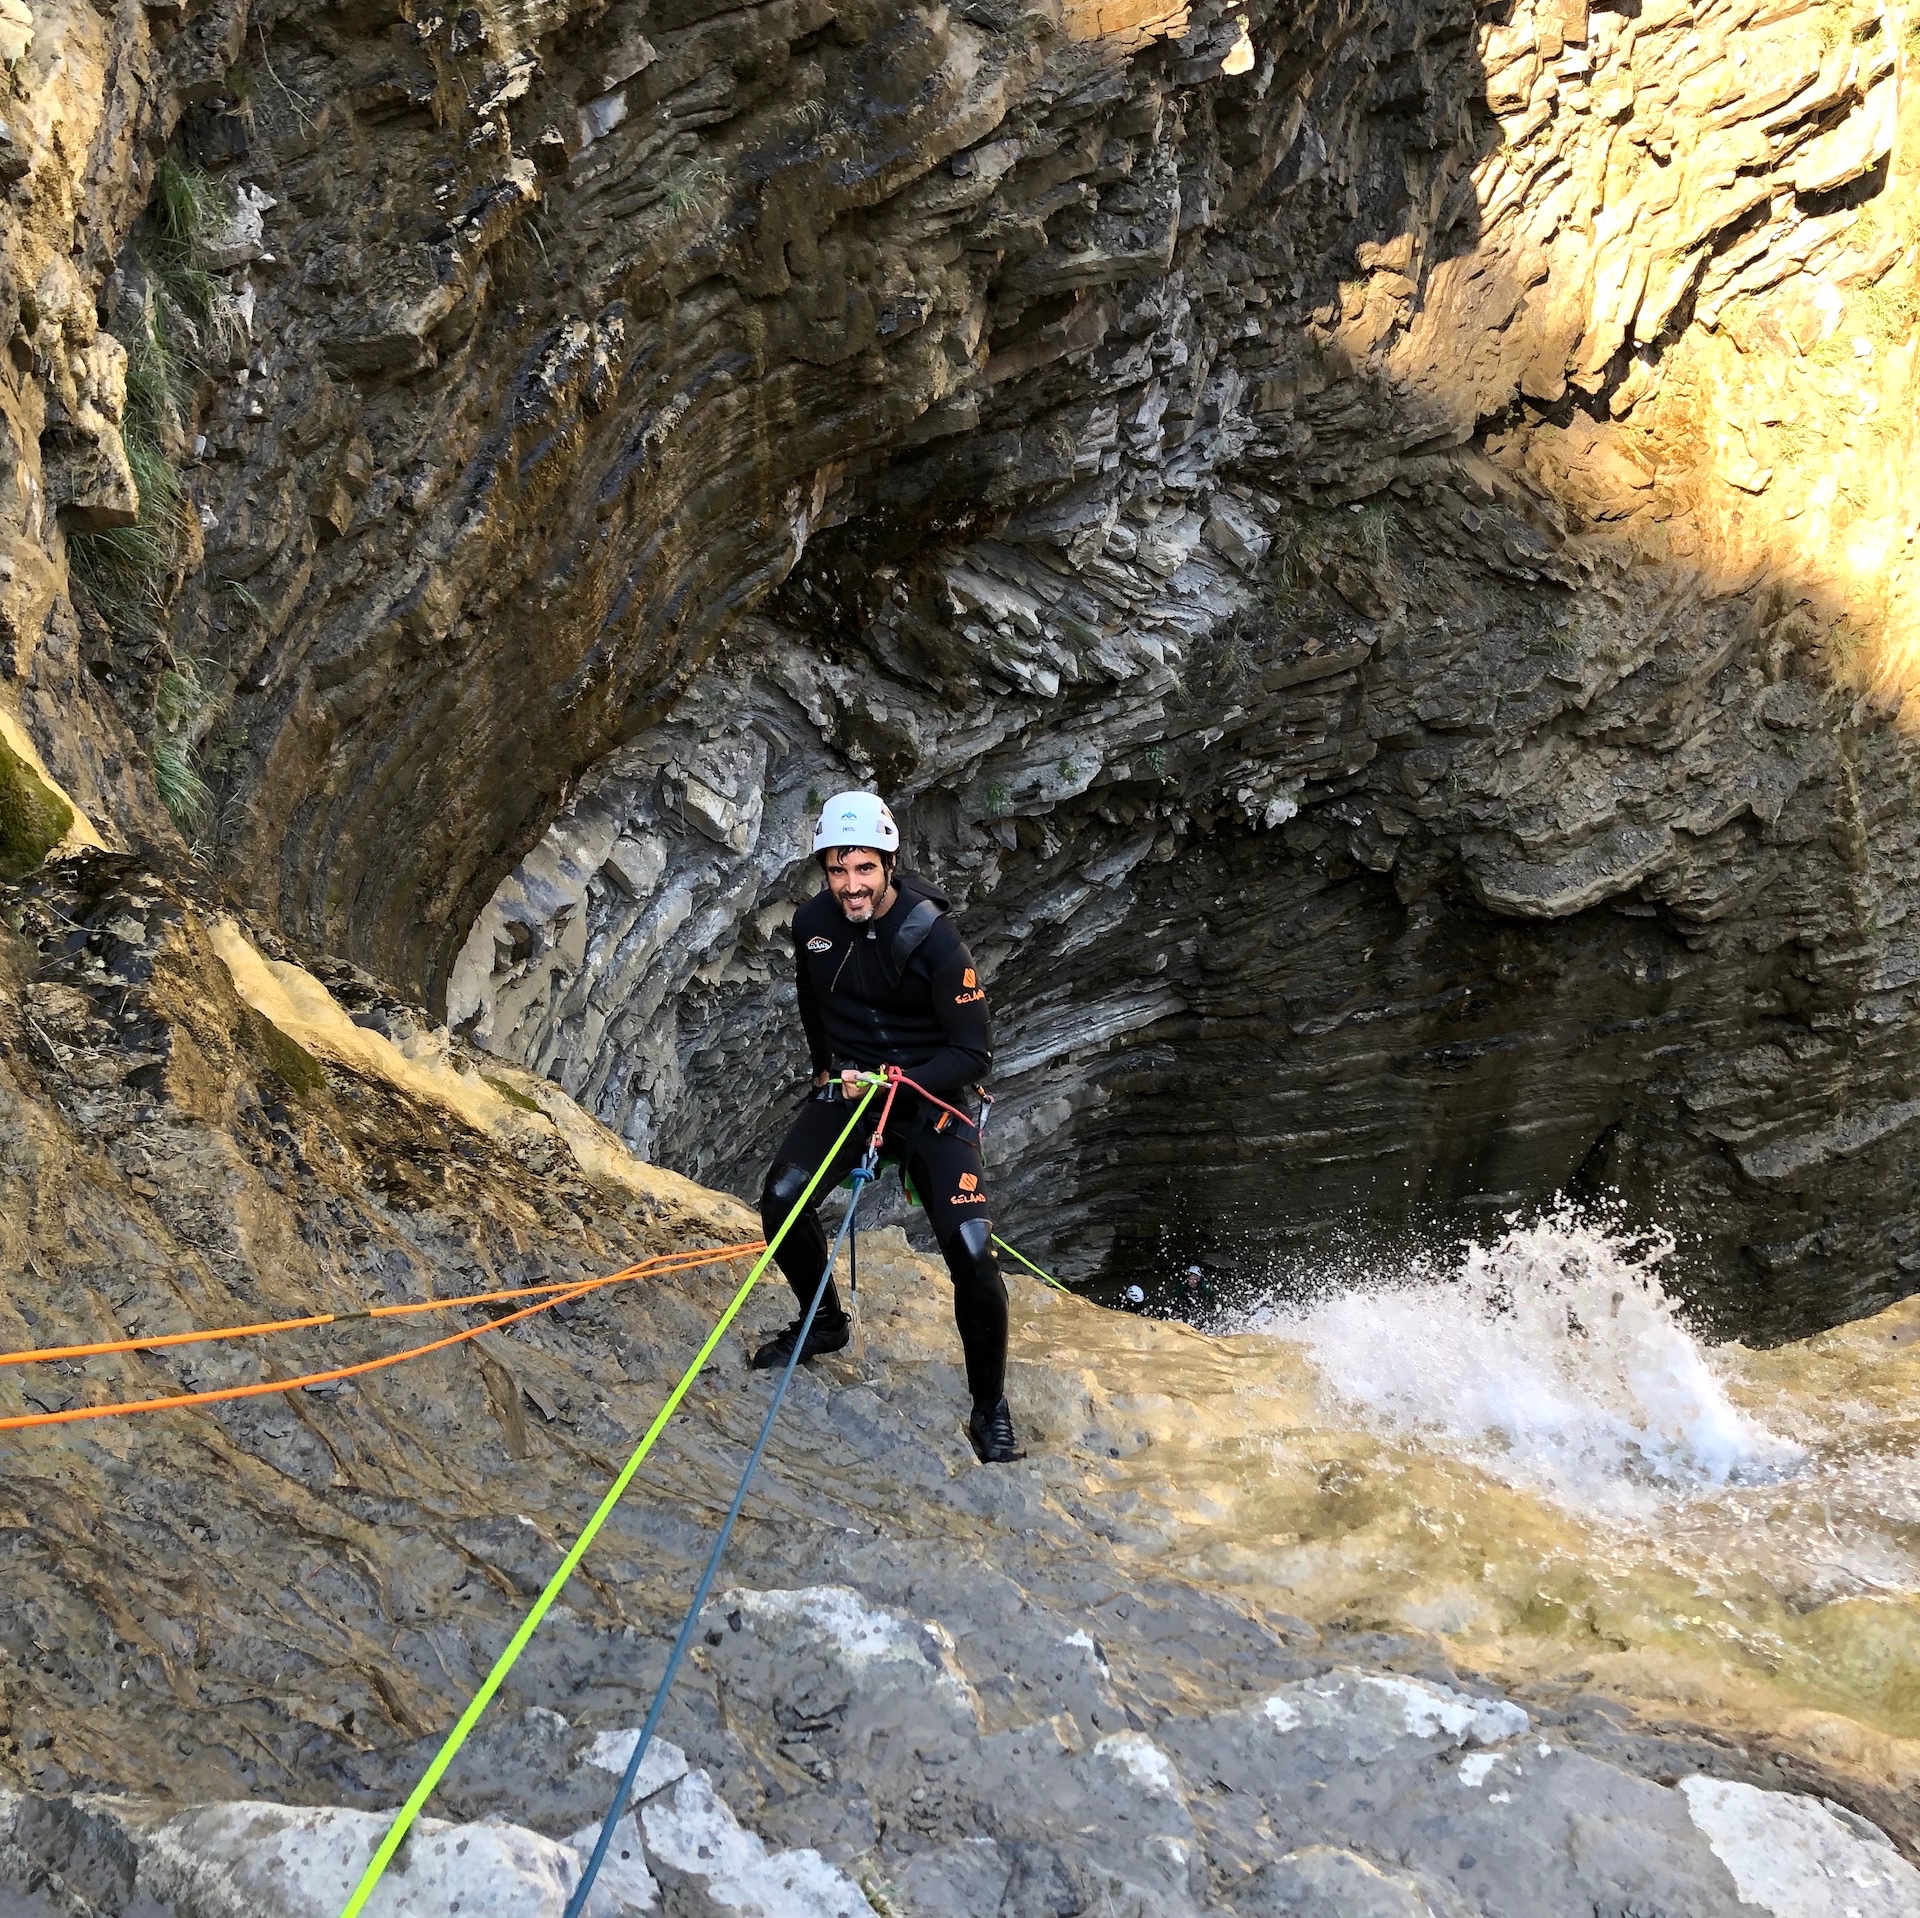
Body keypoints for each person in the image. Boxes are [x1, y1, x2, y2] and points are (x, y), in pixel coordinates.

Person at [754, 791, 1022, 1464]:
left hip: (932, 1100)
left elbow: (973, 1051)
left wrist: (899, 1080)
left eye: (864, 870)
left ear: (889, 865)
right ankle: (822, 1322)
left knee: (970, 1252)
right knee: (782, 1198)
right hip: (853, 1089)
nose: (851, 886)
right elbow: (812, 998)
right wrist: (825, 1070)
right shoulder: (812, 922)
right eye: (839, 870)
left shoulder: (932, 936)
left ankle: (989, 1406)